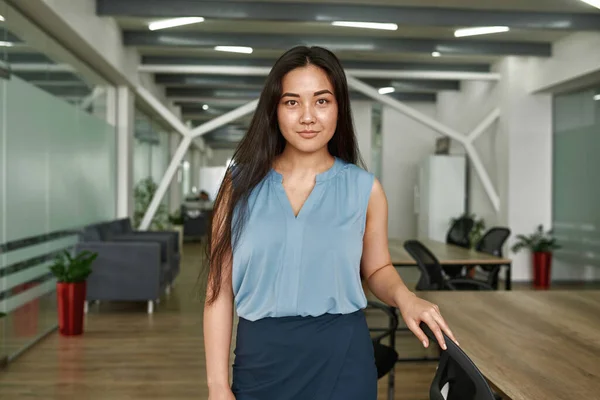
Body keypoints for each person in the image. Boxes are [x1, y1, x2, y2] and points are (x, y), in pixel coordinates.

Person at [203, 46, 458, 400]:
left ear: (339, 107)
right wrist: (217, 385)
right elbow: (218, 292)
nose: (308, 116)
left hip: (343, 359)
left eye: (321, 101)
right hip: (260, 362)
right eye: (292, 102)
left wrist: (405, 297)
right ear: (274, 109)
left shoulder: (364, 188)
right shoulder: (238, 186)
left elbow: (378, 267)